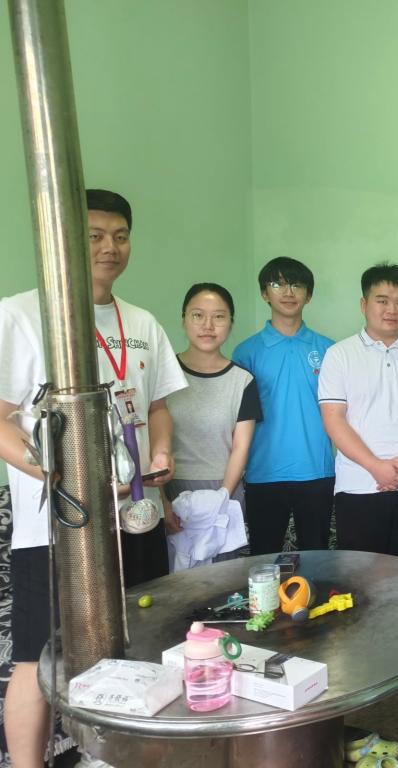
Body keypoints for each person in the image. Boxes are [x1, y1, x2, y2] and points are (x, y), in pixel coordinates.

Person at [0, 189, 186, 767]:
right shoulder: (20, 314)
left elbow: (157, 405)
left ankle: (125, 756)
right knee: (37, 656)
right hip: (57, 525)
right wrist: (56, 473)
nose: (110, 247)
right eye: (94, 236)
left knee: (143, 640)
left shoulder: (142, 321)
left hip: (134, 515)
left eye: (120, 236)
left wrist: (161, 450)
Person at [318, 262, 398, 689]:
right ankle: (365, 662)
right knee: (359, 578)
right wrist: (376, 467)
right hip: (358, 487)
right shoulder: (340, 355)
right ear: (363, 304)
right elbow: (334, 420)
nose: (392, 309)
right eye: (382, 300)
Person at [232, 257, 335, 554]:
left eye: (297, 285)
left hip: (317, 470)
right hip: (263, 471)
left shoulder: (329, 350)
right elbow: (237, 419)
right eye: (278, 284)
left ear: (309, 295)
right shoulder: (246, 352)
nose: (288, 292)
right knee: (263, 559)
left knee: (317, 557)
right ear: (264, 293)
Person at [165, 283, 262, 566]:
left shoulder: (243, 381)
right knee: (172, 581)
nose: (208, 325)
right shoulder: (162, 376)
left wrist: (223, 497)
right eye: (198, 315)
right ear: (183, 319)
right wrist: (162, 501)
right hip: (171, 488)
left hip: (224, 488)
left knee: (222, 582)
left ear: (231, 323)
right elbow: (150, 441)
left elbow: (241, 447)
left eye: (219, 316)